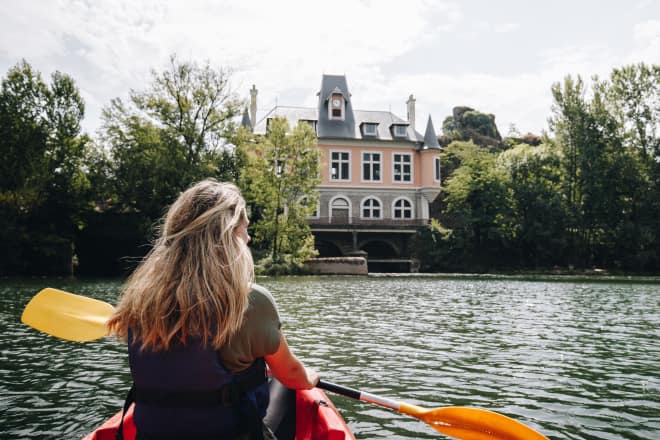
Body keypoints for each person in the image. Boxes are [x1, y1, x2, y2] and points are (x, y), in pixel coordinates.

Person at [108, 179, 319, 439]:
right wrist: (311, 377)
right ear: (228, 235)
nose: (249, 238)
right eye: (245, 230)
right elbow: (292, 375)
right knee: (284, 385)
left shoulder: (140, 301)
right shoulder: (249, 301)